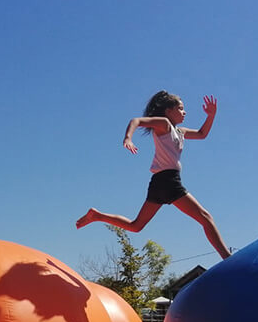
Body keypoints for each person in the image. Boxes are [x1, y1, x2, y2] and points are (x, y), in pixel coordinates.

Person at [76, 90, 231, 259]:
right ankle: (227, 258)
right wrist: (128, 137)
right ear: (168, 111)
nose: (184, 112)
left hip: (159, 183)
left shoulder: (180, 132)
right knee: (206, 217)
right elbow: (136, 120)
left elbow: (202, 134)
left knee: (136, 226)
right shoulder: (164, 124)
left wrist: (211, 115)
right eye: (180, 108)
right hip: (168, 181)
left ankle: (97, 215)